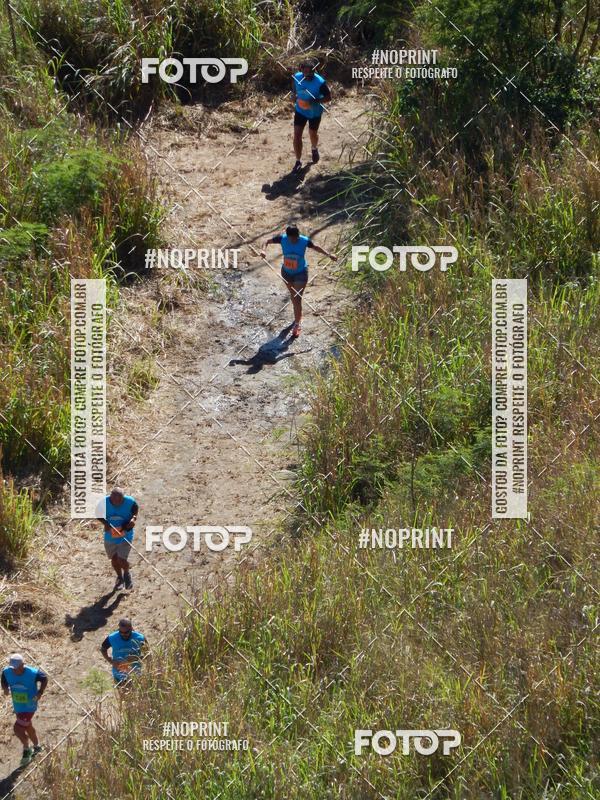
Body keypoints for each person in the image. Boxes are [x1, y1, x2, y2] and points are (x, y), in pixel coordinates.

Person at [261, 224, 337, 337]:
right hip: (286, 273)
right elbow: (266, 241)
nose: (293, 240)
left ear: (298, 235)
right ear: (288, 236)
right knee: (293, 297)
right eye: (291, 238)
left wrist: (329, 254)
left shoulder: (304, 240)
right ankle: (298, 315)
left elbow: (315, 247)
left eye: (295, 238)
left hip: (301, 273)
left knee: (297, 298)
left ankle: (297, 324)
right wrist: (263, 251)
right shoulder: (282, 238)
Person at [1, 653, 47, 766]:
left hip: (29, 705)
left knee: (18, 729)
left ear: (22, 665)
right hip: (18, 706)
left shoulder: (33, 673)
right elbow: (3, 680)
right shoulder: (7, 671)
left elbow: (44, 678)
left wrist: (40, 692)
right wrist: (5, 688)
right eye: (13, 668)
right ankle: (37, 746)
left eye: (16, 668)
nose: (14, 671)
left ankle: (27, 749)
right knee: (27, 726)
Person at [291, 60, 331, 174]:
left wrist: (316, 100)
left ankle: (314, 148)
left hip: (315, 112)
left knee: (312, 133)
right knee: (297, 135)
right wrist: (293, 95)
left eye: (310, 72)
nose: (308, 74)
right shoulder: (296, 77)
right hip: (300, 111)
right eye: (305, 71)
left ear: (314, 71)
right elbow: (294, 90)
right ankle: (298, 162)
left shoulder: (320, 82)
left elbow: (328, 97)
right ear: (301, 70)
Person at [96, 487, 138, 591]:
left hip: (125, 534)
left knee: (121, 559)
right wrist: (106, 524)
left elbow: (135, 511)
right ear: (110, 497)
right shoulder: (103, 503)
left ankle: (127, 574)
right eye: (114, 501)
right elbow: (98, 514)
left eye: (120, 501)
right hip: (110, 535)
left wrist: (133, 520)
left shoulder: (130, 502)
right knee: (114, 559)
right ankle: (119, 577)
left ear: (123, 498)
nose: (117, 503)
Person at [101, 618, 147, 687]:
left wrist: (137, 658)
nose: (123, 634)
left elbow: (148, 654)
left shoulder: (140, 638)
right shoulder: (112, 637)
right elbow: (103, 649)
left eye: (126, 632)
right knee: (122, 695)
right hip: (119, 673)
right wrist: (111, 661)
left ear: (131, 628)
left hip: (135, 672)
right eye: (120, 632)